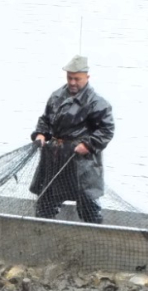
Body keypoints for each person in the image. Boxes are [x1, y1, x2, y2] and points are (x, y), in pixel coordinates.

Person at [30, 55, 115, 223]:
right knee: (45, 203)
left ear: (87, 77)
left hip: (82, 163)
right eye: (70, 78)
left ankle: (96, 234)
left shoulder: (97, 103)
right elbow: (45, 120)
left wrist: (89, 145)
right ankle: (43, 232)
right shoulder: (56, 96)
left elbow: (107, 129)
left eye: (77, 79)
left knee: (88, 205)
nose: (73, 82)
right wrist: (41, 134)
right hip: (55, 159)